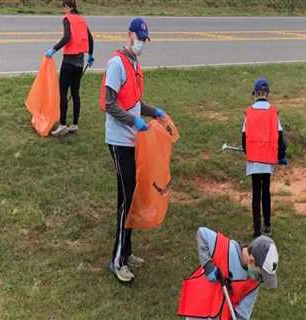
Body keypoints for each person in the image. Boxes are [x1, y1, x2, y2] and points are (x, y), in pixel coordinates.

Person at [99, 17, 166, 283]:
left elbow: (134, 102)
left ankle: (126, 251)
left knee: (132, 196)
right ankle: (117, 261)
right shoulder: (117, 63)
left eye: (144, 40)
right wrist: (134, 121)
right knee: (127, 200)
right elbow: (109, 104)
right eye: (139, 38)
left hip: (132, 141)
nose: (141, 44)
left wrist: (153, 112)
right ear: (129, 35)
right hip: (118, 141)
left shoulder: (135, 64)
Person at [178, 227, 279, 320]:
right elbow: (202, 233)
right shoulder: (225, 249)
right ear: (252, 260)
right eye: (260, 276)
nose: (260, 280)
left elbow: (242, 314)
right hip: (198, 311)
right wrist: (208, 266)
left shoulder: (253, 284)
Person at [242, 78, 287, 239]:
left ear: (255, 94)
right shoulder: (273, 112)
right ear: (267, 94)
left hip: (254, 159)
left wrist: (247, 152)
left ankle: (256, 231)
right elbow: (280, 137)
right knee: (266, 191)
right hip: (267, 159)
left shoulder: (249, 112)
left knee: (256, 193)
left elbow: (244, 136)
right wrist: (282, 155)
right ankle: (267, 225)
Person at [46, 0, 95, 136]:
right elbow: (90, 39)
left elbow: (67, 37)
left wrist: (53, 49)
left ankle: (62, 125)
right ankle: (74, 124)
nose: (64, 10)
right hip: (79, 63)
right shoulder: (82, 19)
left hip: (68, 63)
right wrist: (90, 55)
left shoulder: (67, 19)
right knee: (75, 93)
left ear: (67, 6)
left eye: (64, 7)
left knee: (63, 93)